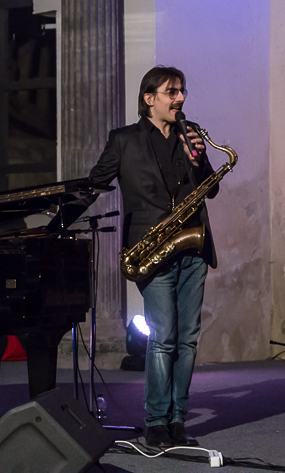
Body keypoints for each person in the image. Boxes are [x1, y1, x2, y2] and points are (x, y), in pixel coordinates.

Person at [63, 65, 218, 449]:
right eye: (171, 92)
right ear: (149, 99)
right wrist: (59, 219)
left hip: (194, 246)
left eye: (182, 91)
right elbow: (95, 184)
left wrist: (198, 158)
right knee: (163, 336)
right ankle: (157, 421)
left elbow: (210, 190)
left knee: (188, 339)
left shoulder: (191, 133)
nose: (180, 98)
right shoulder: (124, 141)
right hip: (152, 247)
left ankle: (178, 418)